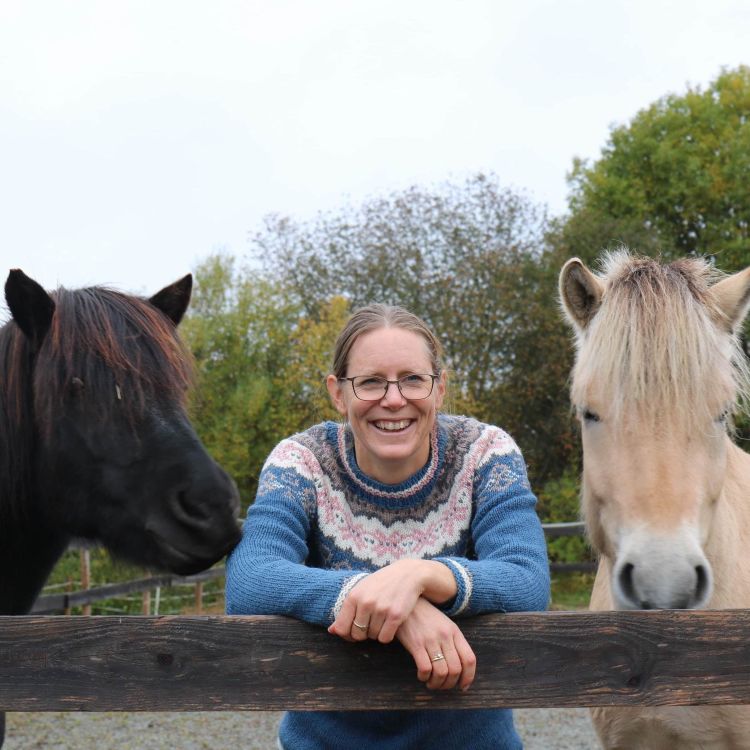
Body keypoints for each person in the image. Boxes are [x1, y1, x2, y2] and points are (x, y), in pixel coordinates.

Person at [225, 303, 550, 749]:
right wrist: (396, 606)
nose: (393, 399)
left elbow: (527, 580)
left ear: (439, 388)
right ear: (338, 393)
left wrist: (420, 575)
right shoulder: (300, 461)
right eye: (371, 382)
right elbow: (249, 579)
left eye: (413, 379)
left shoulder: (486, 454)